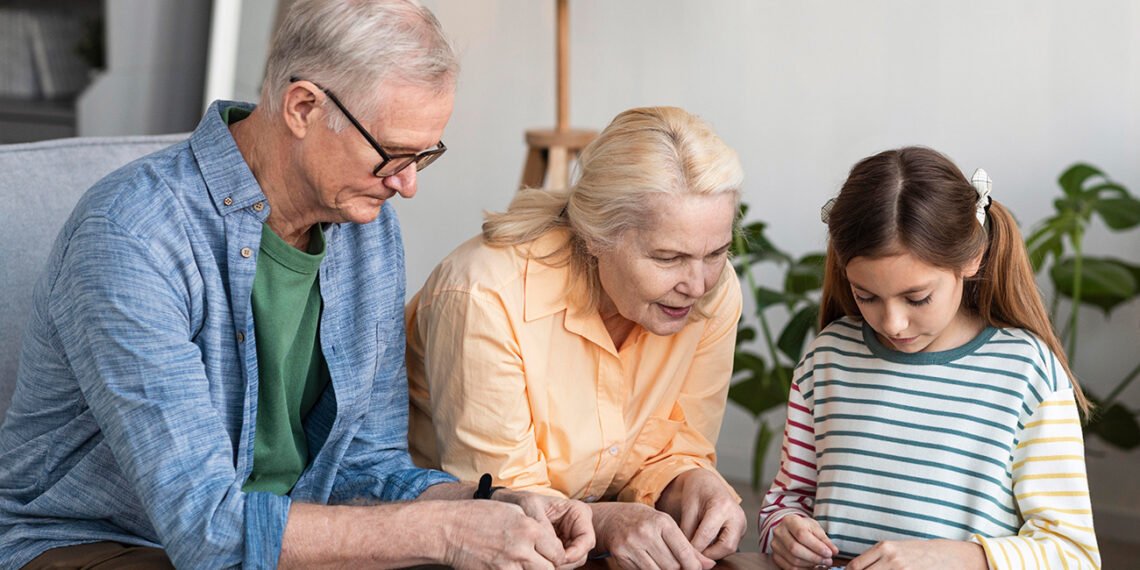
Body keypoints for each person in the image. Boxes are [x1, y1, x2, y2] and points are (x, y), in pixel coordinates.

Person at [0, 1, 593, 568]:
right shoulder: (133, 235)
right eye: (392, 153)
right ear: (303, 107)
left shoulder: (365, 227)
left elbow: (365, 466)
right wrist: (442, 532)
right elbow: (208, 532)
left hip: (287, 533)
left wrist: (494, 507)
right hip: (102, 542)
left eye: (424, 155)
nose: (407, 185)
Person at [406, 106, 748, 570]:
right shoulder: (483, 293)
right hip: (442, 547)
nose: (698, 283)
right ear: (594, 236)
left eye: (716, 252)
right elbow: (504, 505)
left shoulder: (713, 290)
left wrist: (694, 483)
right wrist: (609, 523)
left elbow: (673, 446)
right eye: (668, 257)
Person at [757, 146, 1100, 569]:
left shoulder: (1027, 373)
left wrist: (958, 558)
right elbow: (786, 502)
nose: (893, 322)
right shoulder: (827, 358)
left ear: (971, 259)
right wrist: (784, 532)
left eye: (917, 297)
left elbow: (1074, 555)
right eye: (867, 296)